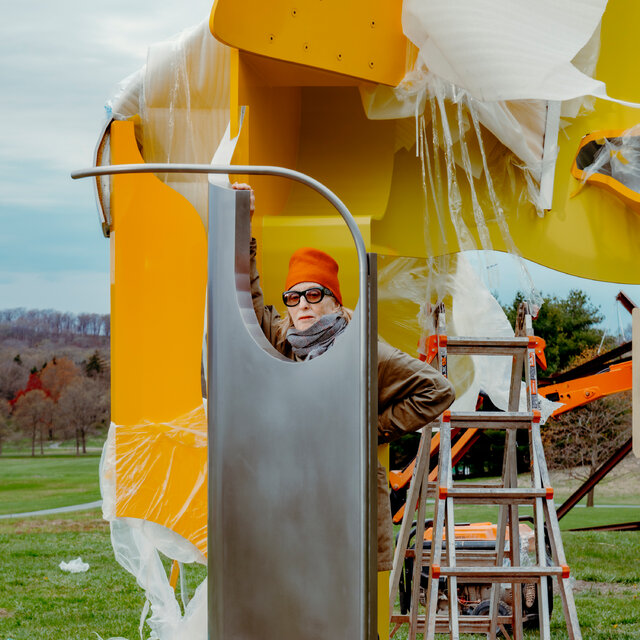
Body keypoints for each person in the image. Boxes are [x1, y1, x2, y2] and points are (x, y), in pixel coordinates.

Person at [232, 182, 455, 571]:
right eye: (293, 296)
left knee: (349, 599)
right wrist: (240, 226)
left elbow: (437, 389)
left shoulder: (365, 348)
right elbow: (246, 301)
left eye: (314, 294)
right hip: (295, 491)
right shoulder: (285, 340)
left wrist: (373, 428)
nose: (302, 304)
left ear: (335, 300)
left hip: (350, 495)